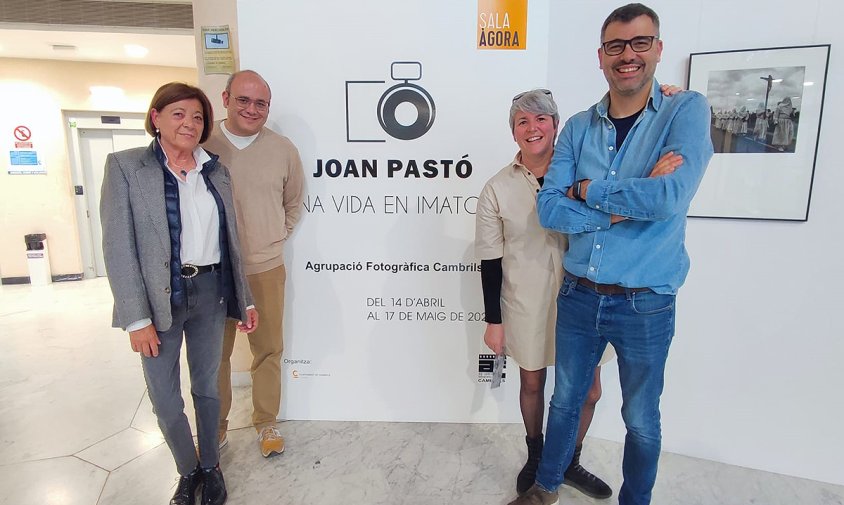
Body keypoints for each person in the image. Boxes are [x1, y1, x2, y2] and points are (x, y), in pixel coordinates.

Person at [508, 4, 713, 505]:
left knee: (641, 419)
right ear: (601, 56)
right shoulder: (578, 126)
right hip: (579, 294)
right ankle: (546, 489)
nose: (628, 55)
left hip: (647, 302)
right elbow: (551, 210)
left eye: (640, 43)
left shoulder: (685, 111)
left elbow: (671, 197)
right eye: (617, 46)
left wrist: (587, 190)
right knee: (563, 403)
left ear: (658, 50)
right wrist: (624, 204)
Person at [101, 82, 259, 505]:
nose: (189, 123)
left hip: (211, 291)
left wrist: (243, 297)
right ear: (156, 117)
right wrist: (136, 318)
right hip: (157, 300)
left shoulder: (216, 170)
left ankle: (211, 465)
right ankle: (187, 471)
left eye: (197, 117)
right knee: (165, 397)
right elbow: (118, 247)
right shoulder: (125, 167)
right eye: (178, 114)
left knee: (208, 386)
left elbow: (231, 240)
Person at [474, 89, 613, 500]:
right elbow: (490, 260)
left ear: (556, 125)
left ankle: (568, 460)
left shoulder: (584, 175)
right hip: (527, 304)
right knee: (533, 384)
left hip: (586, 297)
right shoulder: (497, 188)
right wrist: (493, 322)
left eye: (540, 120)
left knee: (589, 389)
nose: (532, 128)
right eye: (522, 121)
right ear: (513, 132)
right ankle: (536, 457)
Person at [203, 70, 305, 457]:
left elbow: (293, 202)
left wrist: (274, 236)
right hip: (212, 271)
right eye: (243, 100)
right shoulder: (202, 141)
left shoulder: (283, 149)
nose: (251, 109)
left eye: (260, 103)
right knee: (214, 356)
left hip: (264, 268)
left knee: (268, 350)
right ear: (225, 98)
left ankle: (266, 423)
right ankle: (216, 428)